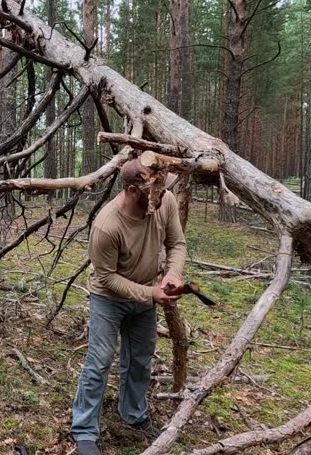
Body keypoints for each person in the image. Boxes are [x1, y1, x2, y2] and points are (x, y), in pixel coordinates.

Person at [72, 157, 187, 455]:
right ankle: (84, 431)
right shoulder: (107, 226)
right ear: (134, 190)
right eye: (155, 189)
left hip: (146, 296)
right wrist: (151, 293)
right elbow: (107, 278)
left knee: (140, 359)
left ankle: (133, 414)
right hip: (108, 299)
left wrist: (172, 275)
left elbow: (177, 244)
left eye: (163, 187)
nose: (162, 194)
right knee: (99, 362)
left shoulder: (166, 203)